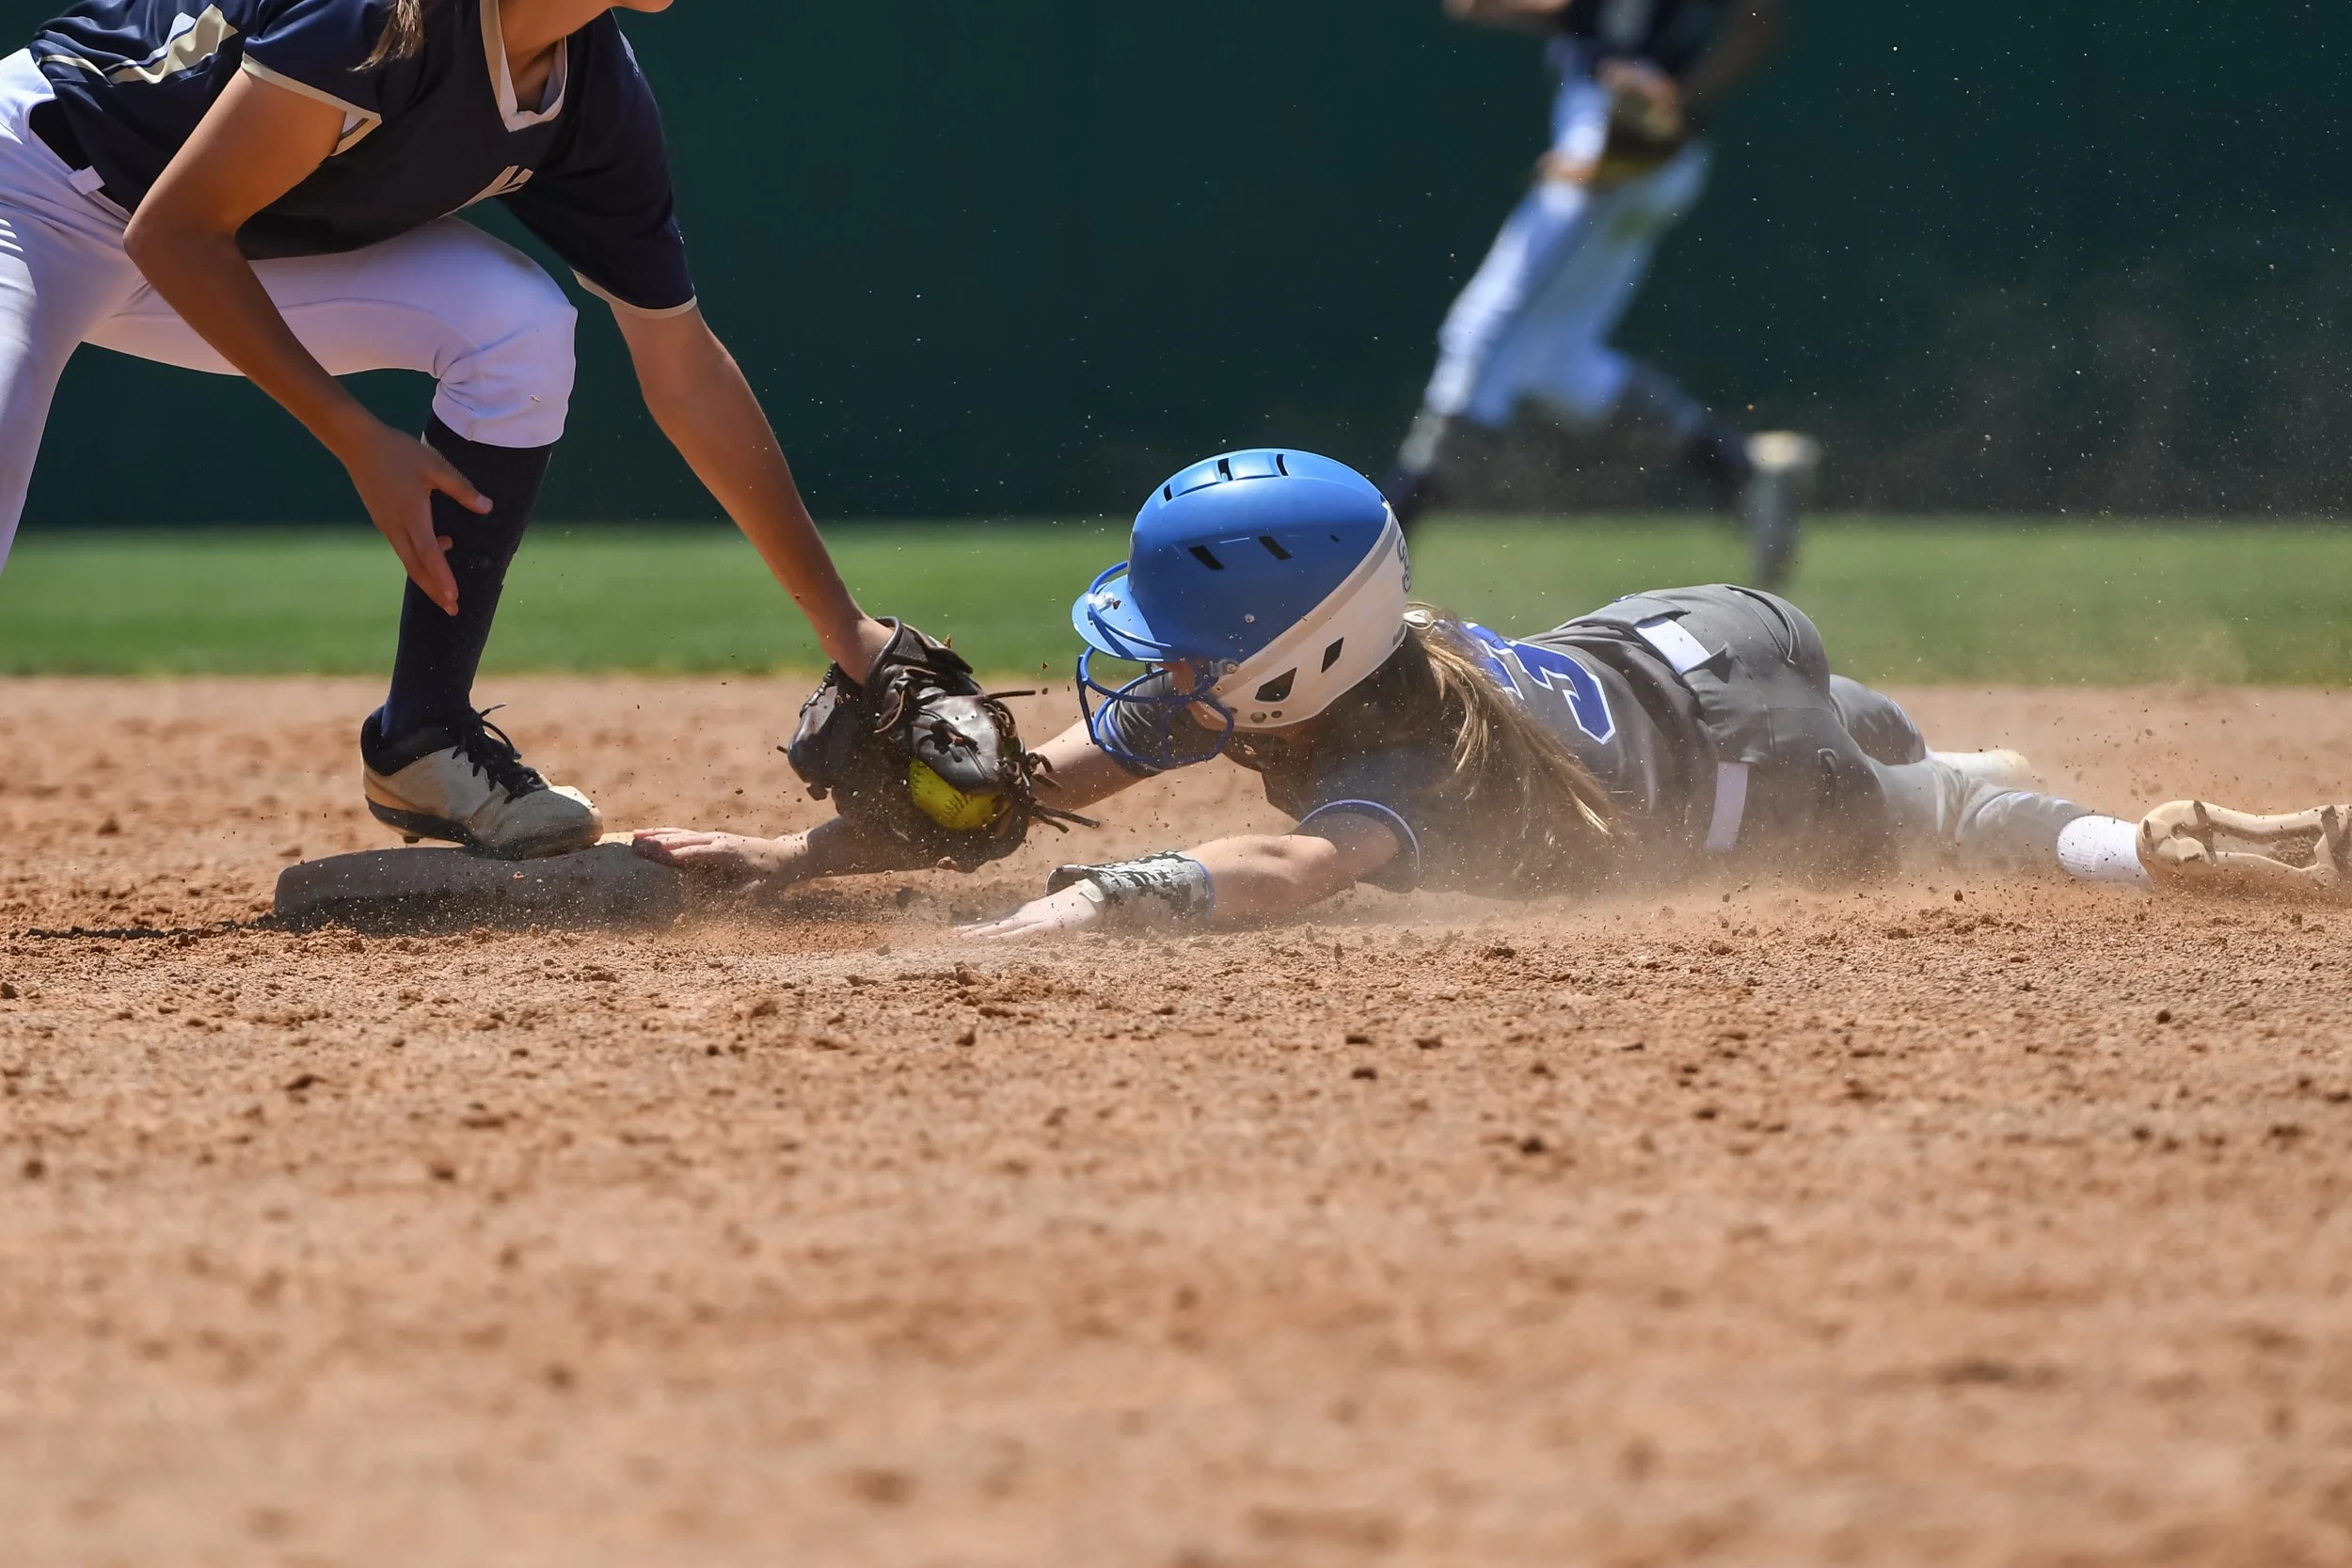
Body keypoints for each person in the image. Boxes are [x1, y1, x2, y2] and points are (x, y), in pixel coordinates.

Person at [633, 450, 2352, 937]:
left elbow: (1292, 870)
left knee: (1931, 811)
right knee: (1922, 756)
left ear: (1284, 663)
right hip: (1698, 641)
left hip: (1762, 774)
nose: (1152, 678)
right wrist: (802, 864)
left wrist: (1078, 915)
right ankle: (2017, 786)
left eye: (1180, 650)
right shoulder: (1351, 666)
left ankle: (2149, 844)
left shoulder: (1397, 764)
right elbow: (1044, 787)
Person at [0, 0, 898, 857]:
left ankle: (421, 739)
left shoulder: (593, 97)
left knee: (516, 325)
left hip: (222, 243)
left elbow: (686, 370)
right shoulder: (377, 17)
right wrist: (356, 436)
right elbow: (174, 232)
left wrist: (845, 626)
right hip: (34, 190)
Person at [1383, 0, 1819, 587]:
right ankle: (1737, 468)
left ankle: (1377, 553)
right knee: (1556, 357)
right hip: (1638, 143)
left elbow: (1759, 18)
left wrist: (1681, 100)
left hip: (1617, 142)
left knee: (1485, 331)